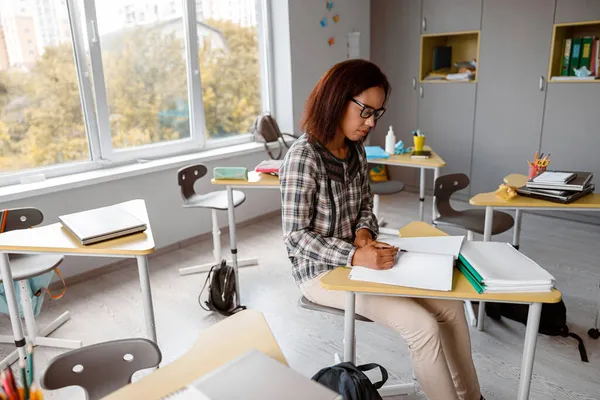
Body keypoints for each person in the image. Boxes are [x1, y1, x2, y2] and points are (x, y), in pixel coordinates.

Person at [279, 59, 484, 400]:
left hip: (363, 258)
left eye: (377, 113)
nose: (371, 122)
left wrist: (363, 235)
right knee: (423, 326)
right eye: (365, 111)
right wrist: (354, 254)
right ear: (335, 99)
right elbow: (296, 237)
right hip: (320, 272)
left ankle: (473, 398)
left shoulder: (356, 150)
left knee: (451, 307)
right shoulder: (304, 157)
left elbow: (364, 207)